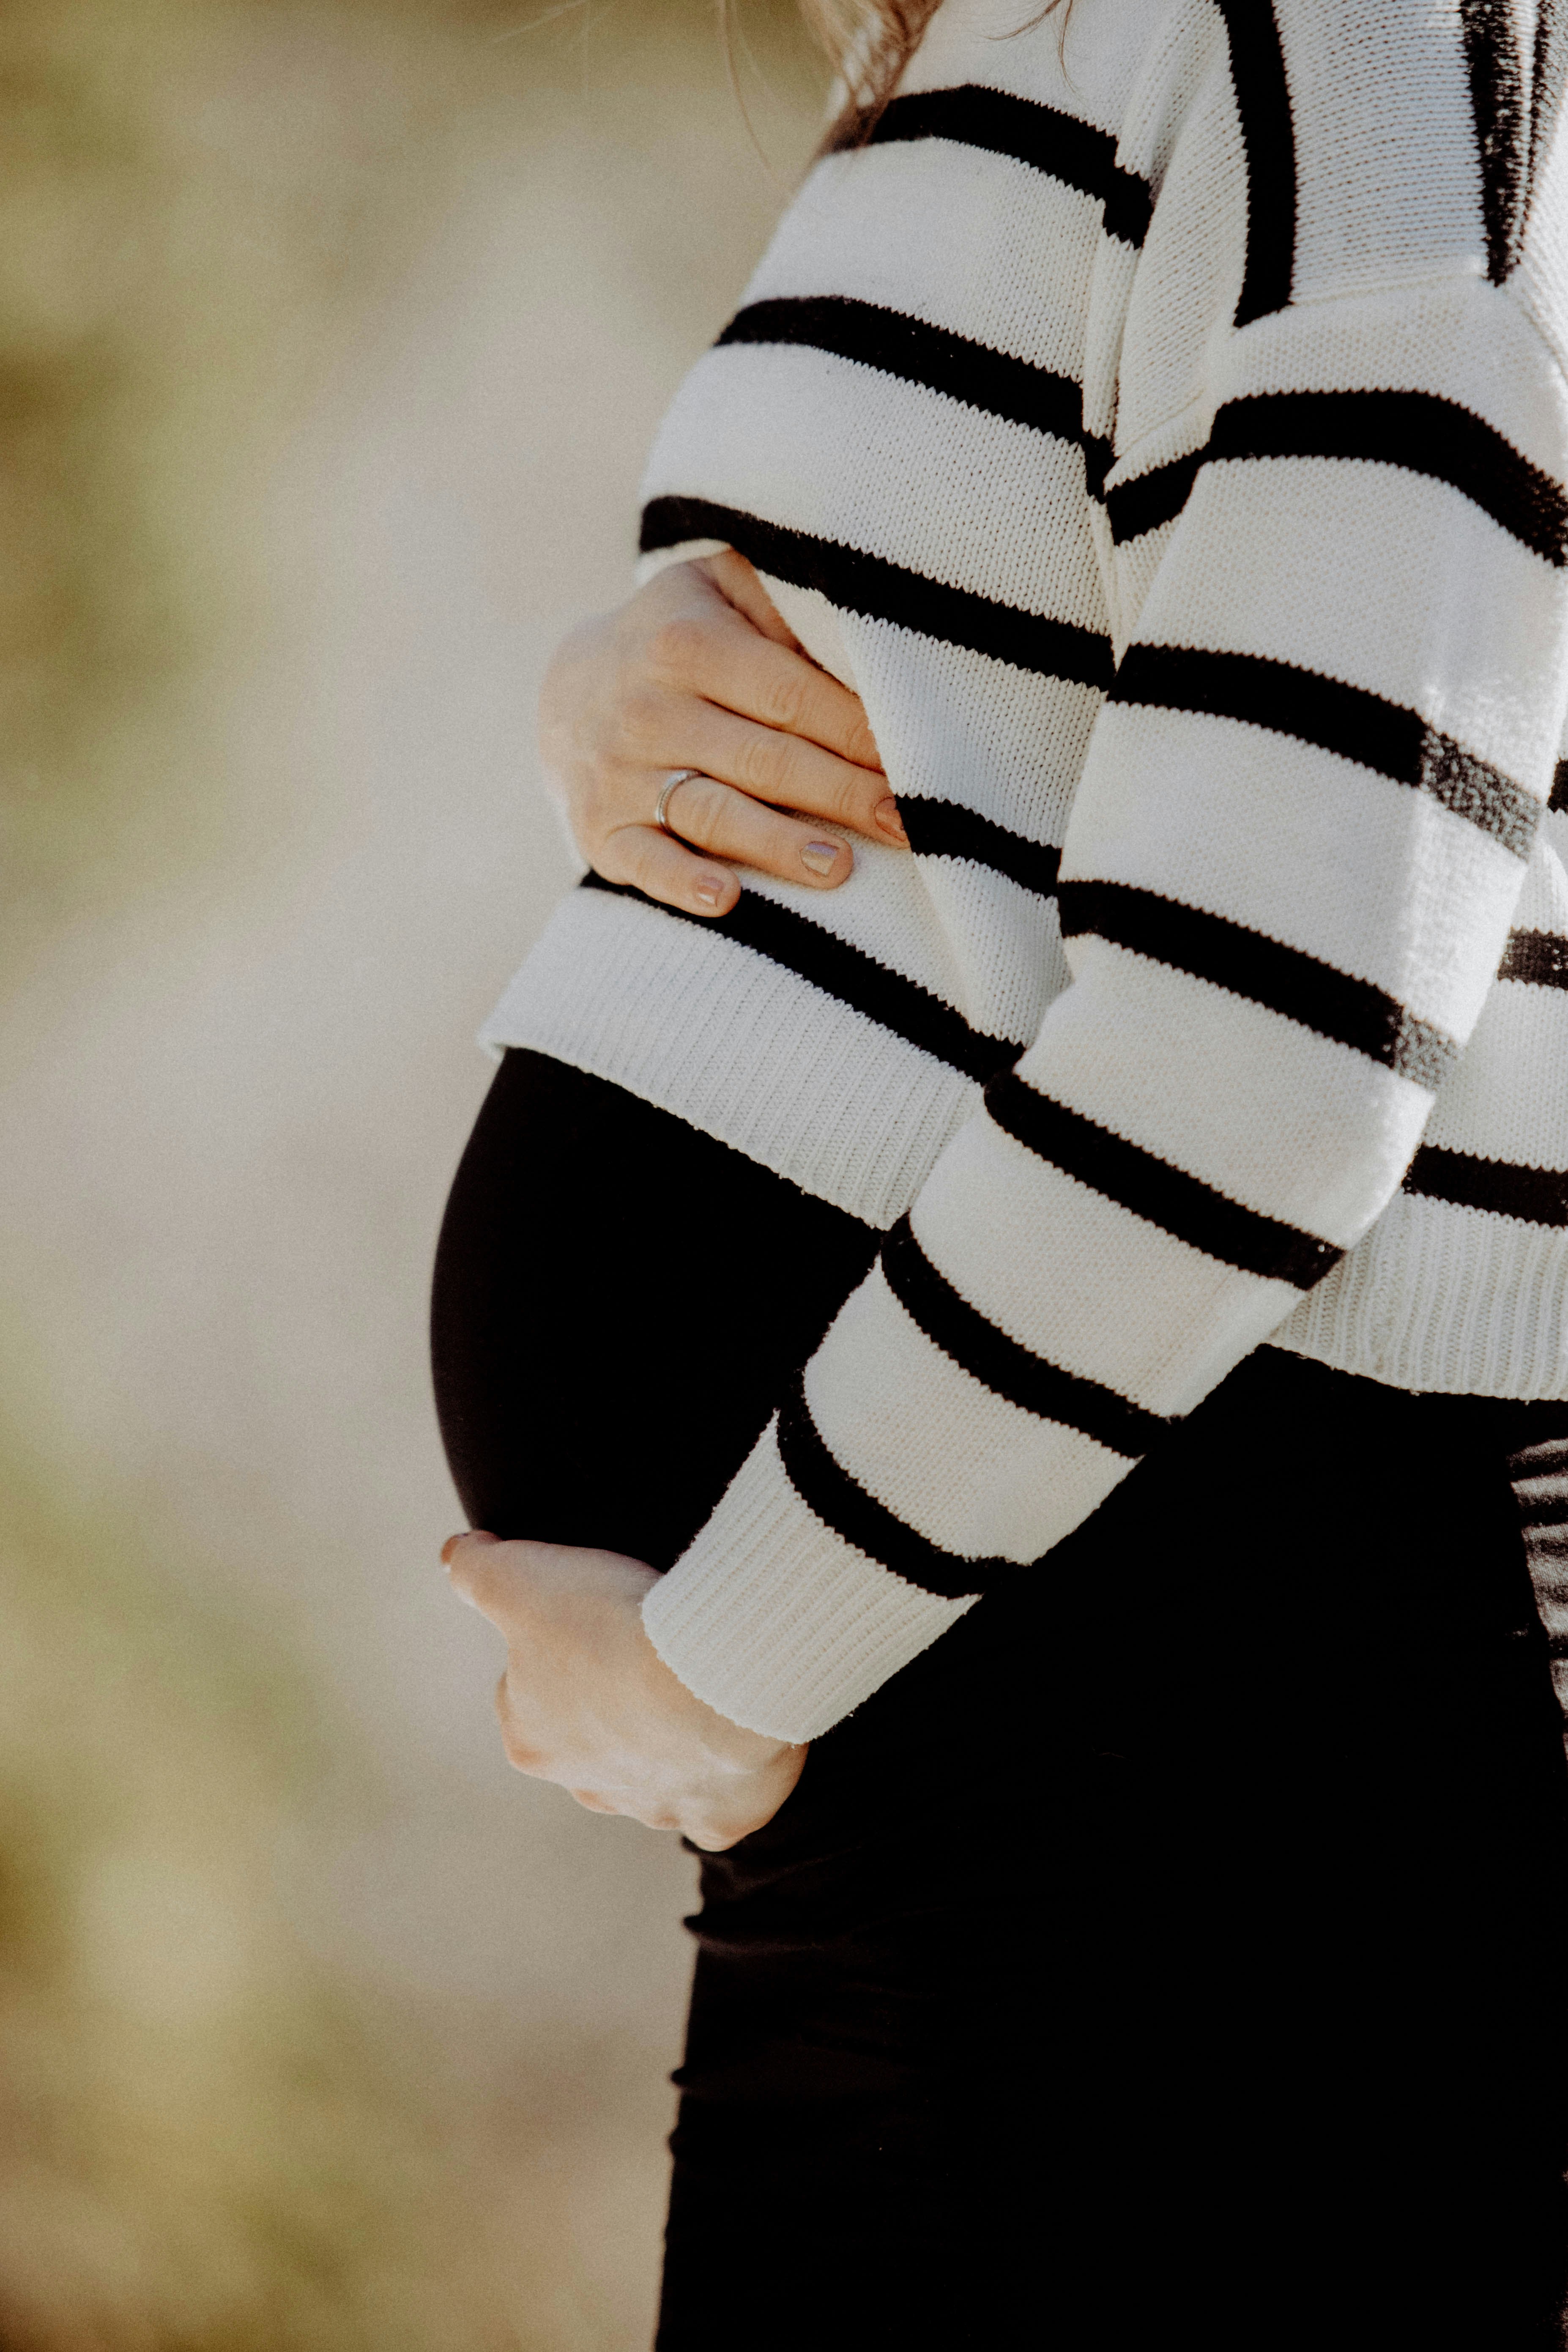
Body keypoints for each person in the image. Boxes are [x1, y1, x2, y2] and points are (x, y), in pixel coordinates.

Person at [431, 2, 1568, 2341]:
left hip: (1141, 1756)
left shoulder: (1352, 42)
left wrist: (732, 1657)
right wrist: (620, 678)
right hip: (986, 1750)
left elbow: (1280, 1047)